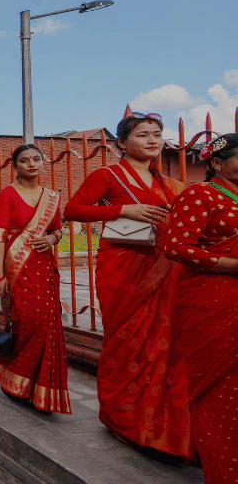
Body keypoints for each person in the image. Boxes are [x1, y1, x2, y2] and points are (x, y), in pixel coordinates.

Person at [64, 113, 194, 459]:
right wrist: (125, 210)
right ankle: (120, 416)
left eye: (158, 134)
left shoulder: (169, 183)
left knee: (164, 345)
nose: (153, 141)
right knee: (126, 340)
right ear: (122, 142)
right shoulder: (107, 175)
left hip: (164, 268)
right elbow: (72, 210)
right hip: (122, 268)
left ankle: (159, 424)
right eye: (143, 135)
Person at [163, 134, 238, 480]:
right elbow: (176, 247)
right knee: (220, 385)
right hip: (212, 298)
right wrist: (233, 265)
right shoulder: (200, 194)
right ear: (217, 164)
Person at [0, 145, 70, 414]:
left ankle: (38, 387)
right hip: (16, 267)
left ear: (43, 163)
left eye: (36, 159)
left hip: (44, 268)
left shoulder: (52, 197)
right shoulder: (7, 195)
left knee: (47, 325)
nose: (31, 164)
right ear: (16, 166)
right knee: (26, 322)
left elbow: (58, 231)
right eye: (24, 161)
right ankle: (11, 375)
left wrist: (50, 238)